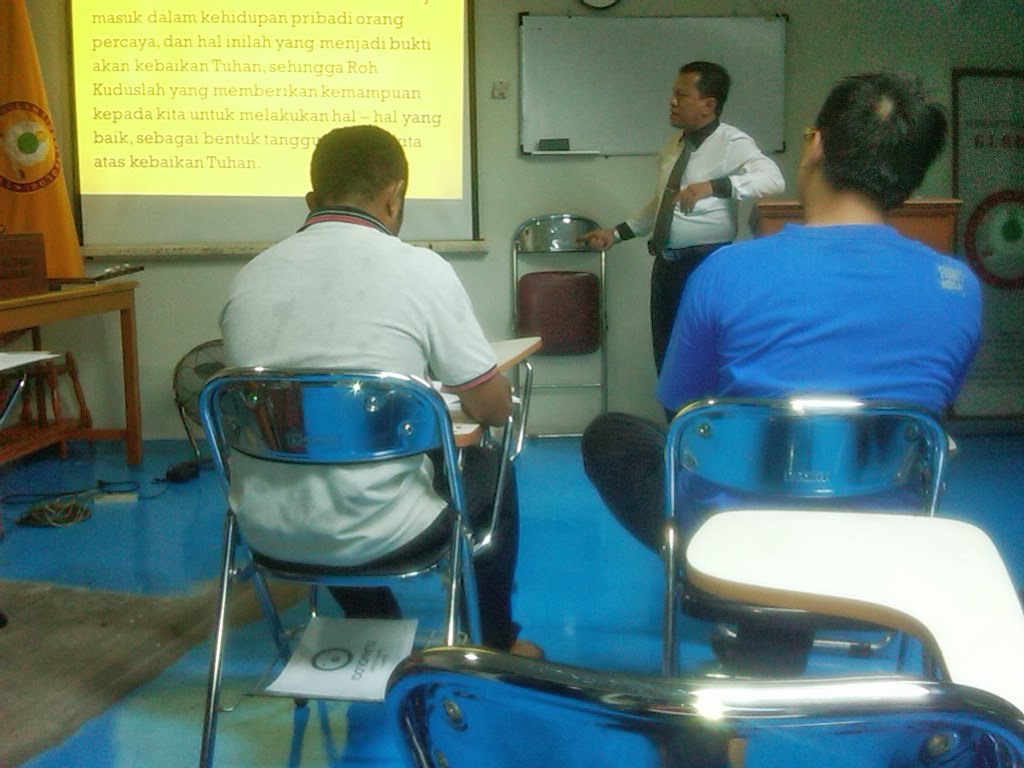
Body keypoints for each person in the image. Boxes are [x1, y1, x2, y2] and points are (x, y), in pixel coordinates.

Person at [581, 71, 982, 673]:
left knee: (614, 436)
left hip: (738, 547)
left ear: (815, 145)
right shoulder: (958, 288)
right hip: (883, 553)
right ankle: (776, 642)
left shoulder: (726, 272)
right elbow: (925, 414)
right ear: (911, 174)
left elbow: (688, 408)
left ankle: (758, 635)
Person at [220, 125, 539, 657]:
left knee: (321, 456)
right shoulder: (420, 270)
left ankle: (371, 616)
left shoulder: (249, 278)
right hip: (385, 534)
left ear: (312, 201)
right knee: (490, 468)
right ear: (394, 195)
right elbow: (491, 408)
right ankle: (495, 644)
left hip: (265, 532)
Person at [580, 61, 784, 374]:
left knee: (702, 358)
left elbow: (773, 180)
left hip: (705, 263)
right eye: (673, 94)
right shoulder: (673, 145)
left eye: (682, 95)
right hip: (666, 265)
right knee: (667, 358)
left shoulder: (732, 142)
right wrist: (617, 233)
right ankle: (674, 407)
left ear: (708, 105)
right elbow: (663, 203)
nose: (672, 102)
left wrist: (715, 186)